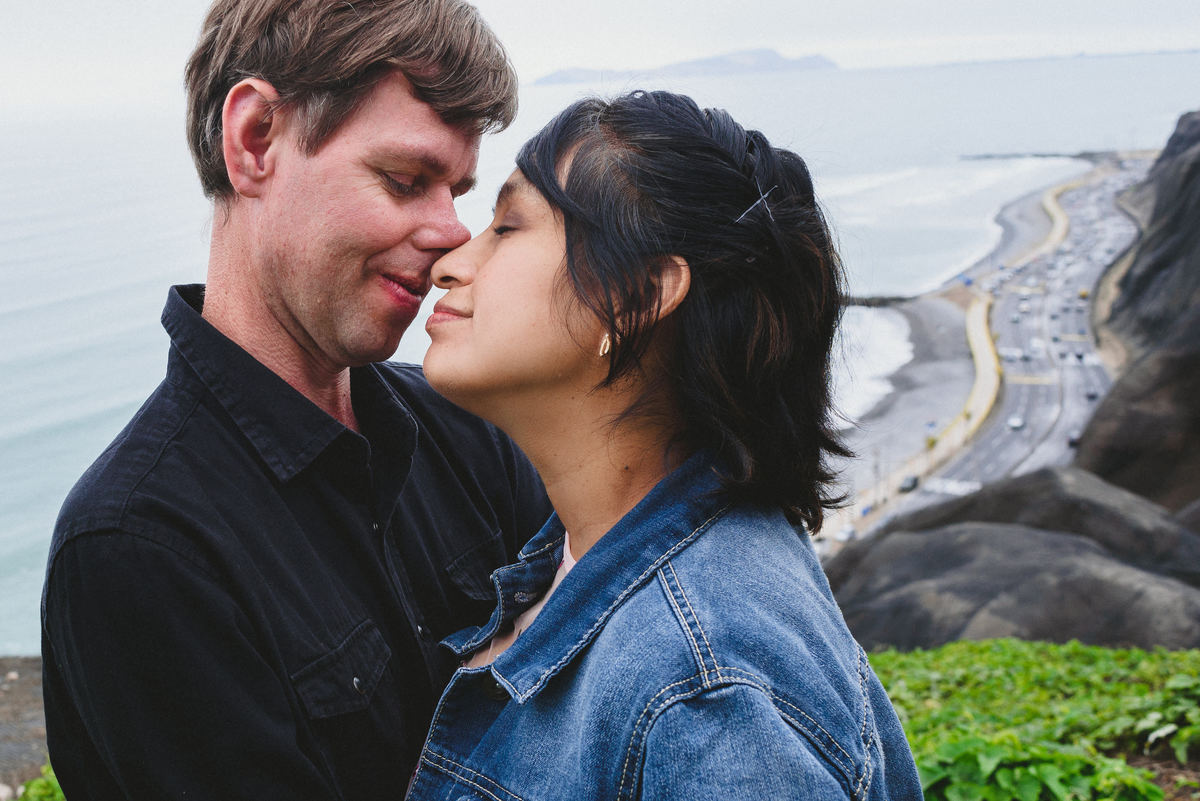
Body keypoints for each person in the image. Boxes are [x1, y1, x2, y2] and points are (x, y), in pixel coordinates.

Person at [41, 1, 550, 799]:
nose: (453, 232)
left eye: (456, 189)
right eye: (406, 180)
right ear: (254, 141)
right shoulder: (136, 544)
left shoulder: (469, 428)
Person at [409, 90, 924, 799]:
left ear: (637, 296)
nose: (449, 261)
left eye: (507, 226)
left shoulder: (703, 692)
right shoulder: (590, 556)